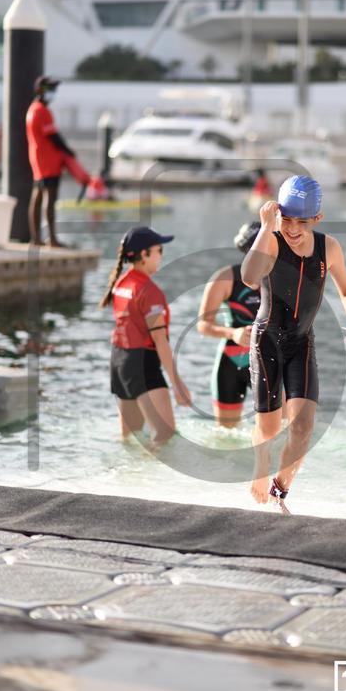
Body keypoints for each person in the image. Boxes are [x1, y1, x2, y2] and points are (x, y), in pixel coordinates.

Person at [241, 175, 346, 511]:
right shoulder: (271, 240)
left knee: (303, 428)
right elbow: (249, 277)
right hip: (266, 341)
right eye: (287, 219)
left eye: (303, 221)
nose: (293, 229)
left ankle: (279, 492)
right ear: (277, 214)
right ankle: (260, 462)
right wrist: (266, 227)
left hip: (301, 343)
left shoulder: (329, 248)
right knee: (269, 428)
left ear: (317, 218)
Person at [99, 225, 191, 446]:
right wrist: (177, 383)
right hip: (143, 364)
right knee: (164, 435)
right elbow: (160, 341)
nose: (161, 256)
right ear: (144, 254)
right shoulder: (149, 291)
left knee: (130, 438)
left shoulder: (121, 283)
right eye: (159, 250)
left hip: (119, 362)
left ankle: (129, 469)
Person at [197, 222, 261, 428]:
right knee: (226, 436)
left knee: (279, 433)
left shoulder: (282, 279)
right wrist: (233, 333)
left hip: (270, 363)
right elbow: (203, 324)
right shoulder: (225, 278)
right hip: (232, 361)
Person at [26, 76, 77, 247]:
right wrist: (69, 152)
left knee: (38, 196)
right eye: (50, 89)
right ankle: (52, 239)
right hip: (48, 162)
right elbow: (53, 137)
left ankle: (36, 238)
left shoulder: (32, 109)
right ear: (40, 90)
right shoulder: (42, 111)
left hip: (38, 160)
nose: (53, 93)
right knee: (50, 197)